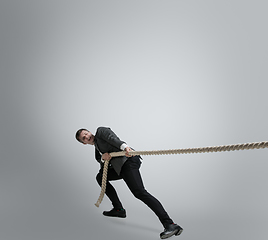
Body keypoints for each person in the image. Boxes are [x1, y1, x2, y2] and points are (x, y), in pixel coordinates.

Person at [75, 126, 183, 239]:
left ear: (89, 132)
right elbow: (100, 160)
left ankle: (170, 224)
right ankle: (118, 209)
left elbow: (113, 139)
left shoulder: (100, 131)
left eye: (86, 133)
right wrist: (103, 157)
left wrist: (125, 147)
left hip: (128, 161)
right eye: (84, 138)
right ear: (84, 143)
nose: (87, 136)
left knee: (140, 192)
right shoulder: (97, 148)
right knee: (101, 177)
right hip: (120, 168)